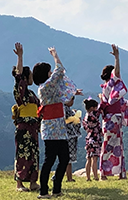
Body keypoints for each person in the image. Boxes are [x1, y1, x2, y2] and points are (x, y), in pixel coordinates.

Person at [33, 46, 81, 199]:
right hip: (54, 129)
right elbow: (60, 70)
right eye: (48, 72)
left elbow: (62, 99)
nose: (50, 73)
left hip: (55, 128)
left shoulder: (44, 88)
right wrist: (55, 55)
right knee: (52, 160)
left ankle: (54, 189)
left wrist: (74, 92)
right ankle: (46, 191)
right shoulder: (47, 86)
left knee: (59, 159)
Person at [99, 44, 128, 180]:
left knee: (116, 145)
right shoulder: (109, 87)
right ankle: (104, 173)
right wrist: (117, 58)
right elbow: (117, 74)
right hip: (112, 119)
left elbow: (122, 102)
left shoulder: (109, 90)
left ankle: (119, 173)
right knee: (110, 145)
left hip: (111, 119)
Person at [11, 42, 41, 192]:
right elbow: (18, 76)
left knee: (34, 155)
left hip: (33, 127)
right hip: (24, 127)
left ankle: (33, 182)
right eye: (29, 75)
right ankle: (19, 184)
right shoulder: (21, 91)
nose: (31, 78)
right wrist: (20, 57)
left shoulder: (32, 94)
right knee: (22, 154)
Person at [82, 98, 103, 181]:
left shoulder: (86, 117)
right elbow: (100, 110)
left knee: (89, 158)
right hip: (95, 138)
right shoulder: (93, 115)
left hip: (89, 137)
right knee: (94, 158)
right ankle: (95, 176)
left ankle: (88, 177)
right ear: (92, 108)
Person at [64, 96, 82, 182]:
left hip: (68, 135)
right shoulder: (65, 109)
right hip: (69, 136)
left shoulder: (66, 109)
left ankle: (68, 176)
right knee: (68, 158)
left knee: (67, 158)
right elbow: (71, 121)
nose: (72, 102)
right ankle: (69, 177)